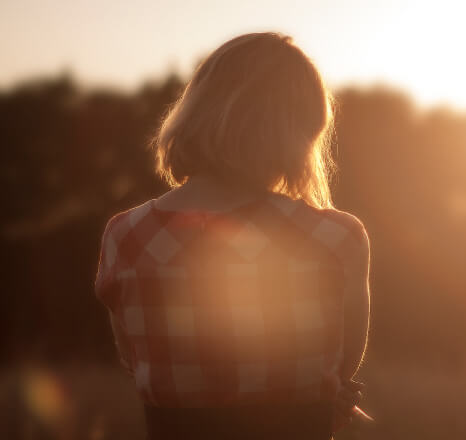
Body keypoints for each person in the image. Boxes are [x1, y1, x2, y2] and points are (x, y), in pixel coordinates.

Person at [94, 32, 371, 439]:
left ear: (196, 111)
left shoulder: (127, 236)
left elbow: (136, 360)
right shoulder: (336, 237)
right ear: (301, 132)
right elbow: (341, 364)